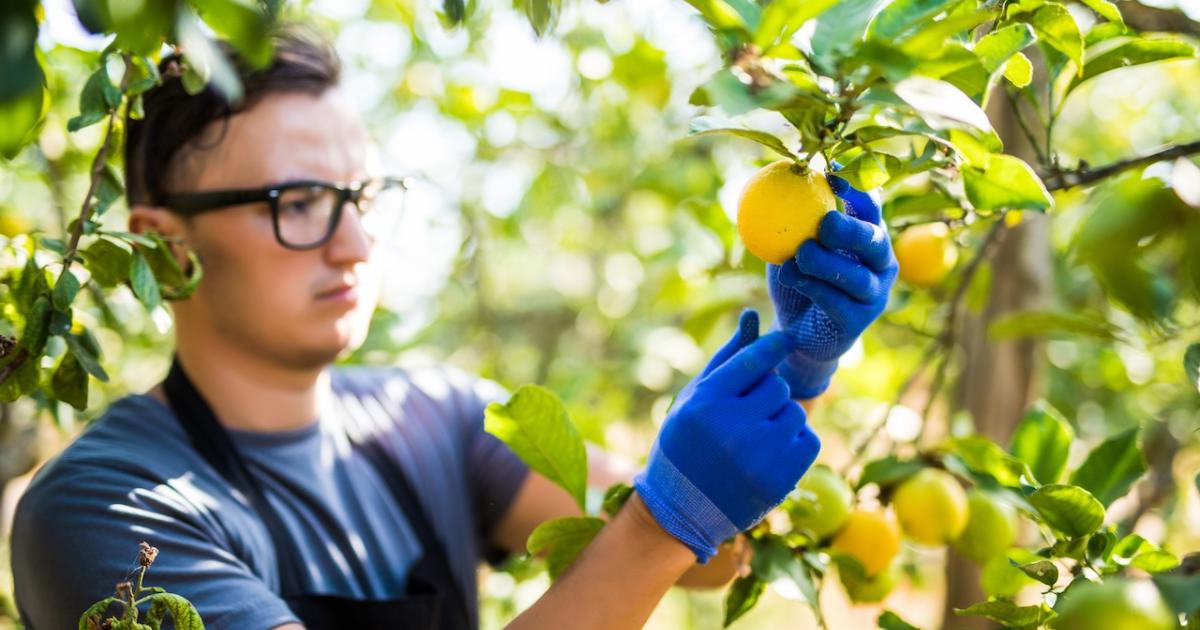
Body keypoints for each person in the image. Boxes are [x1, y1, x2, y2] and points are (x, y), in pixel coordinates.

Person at [9, 27, 896, 630]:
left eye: (360, 196)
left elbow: (707, 555)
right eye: (299, 204)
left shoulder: (435, 417)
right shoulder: (107, 509)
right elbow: (665, 531)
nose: (355, 242)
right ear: (165, 250)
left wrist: (797, 365)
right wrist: (663, 522)